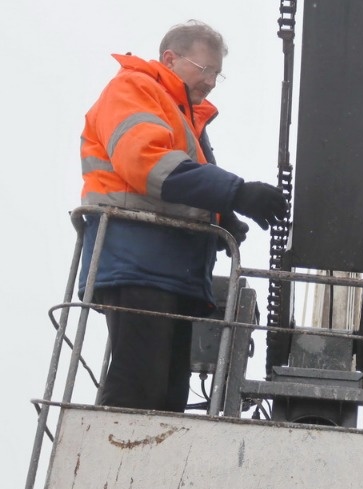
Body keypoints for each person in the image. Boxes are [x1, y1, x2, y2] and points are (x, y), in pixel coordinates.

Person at [78, 20, 287, 412]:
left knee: (168, 397)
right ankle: (118, 450)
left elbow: (180, 178)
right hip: (138, 263)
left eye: (217, 74)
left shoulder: (181, 114)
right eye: (205, 69)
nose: (210, 82)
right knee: (139, 387)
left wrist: (220, 217)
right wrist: (236, 193)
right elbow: (148, 163)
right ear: (170, 59)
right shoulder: (134, 88)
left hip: (169, 271)